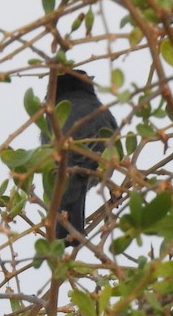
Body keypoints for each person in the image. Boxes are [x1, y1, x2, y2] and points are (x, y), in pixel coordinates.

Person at [42, 69, 117, 243]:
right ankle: (69, 230)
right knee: (74, 190)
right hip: (92, 164)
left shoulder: (51, 117)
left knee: (69, 192)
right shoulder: (98, 111)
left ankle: (64, 231)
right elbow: (110, 146)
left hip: (63, 169)